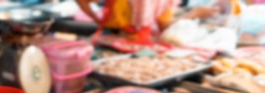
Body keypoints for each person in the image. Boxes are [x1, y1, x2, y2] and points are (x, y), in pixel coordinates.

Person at [75, 0, 222, 41]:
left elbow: (164, 26)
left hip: (138, 43)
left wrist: (194, 13)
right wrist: (97, 19)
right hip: (109, 40)